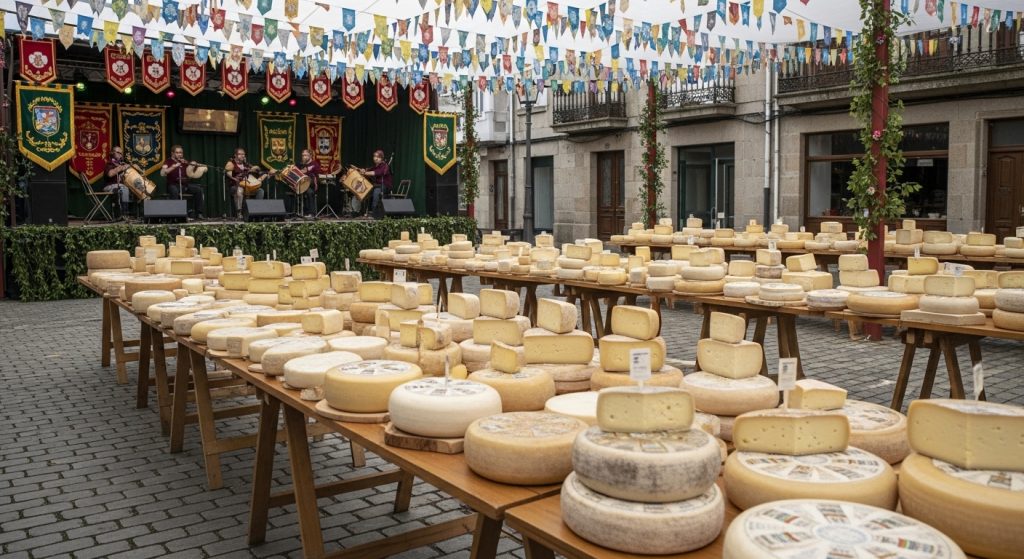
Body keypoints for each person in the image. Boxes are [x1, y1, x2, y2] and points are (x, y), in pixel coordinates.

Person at [161, 145, 205, 220]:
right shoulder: (168, 161)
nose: (179, 154)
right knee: (174, 191)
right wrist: (174, 166)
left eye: (181, 153)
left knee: (198, 190)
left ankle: (199, 213)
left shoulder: (184, 161)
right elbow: (164, 172)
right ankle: (175, 214)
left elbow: (191, 170)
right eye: (177, 152)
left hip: (185, 185)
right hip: (173, 185)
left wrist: (196, 166)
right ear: (172, 153)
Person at [224, 148, 265, 218]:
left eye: (243, 154)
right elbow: (229, 176)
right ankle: (239, 212)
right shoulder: (231, 164)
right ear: (235, 155)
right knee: (240, 190)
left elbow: (257, 170)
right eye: (240, 154)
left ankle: (256, 211)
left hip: (248, 186)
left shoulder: (247, 165)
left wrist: (264, 174)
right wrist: (238, 179)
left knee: (260, 191)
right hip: (235, 186)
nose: (242, 156)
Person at [287, 149, 319, 218]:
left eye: (305, 155)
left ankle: (311, 213)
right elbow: (294, 171)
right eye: (303, 155)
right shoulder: (300, 164)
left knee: (309, 192)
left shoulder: (314, 164)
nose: (303, 157)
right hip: (301, 185)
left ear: (310, 156)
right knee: (290, 189)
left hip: (312, 185)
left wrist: (303, 171)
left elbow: (308, 173)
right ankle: (291, 213)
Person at [359, 149, 392, 217]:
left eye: (378, 157)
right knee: (366, 191)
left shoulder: (384, 166)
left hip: (384, 186)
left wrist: (365, 173)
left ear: (382, 158)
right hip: (377, 185)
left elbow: (375, 173)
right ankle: (364, 211)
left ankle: (375, 215)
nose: (376, 158)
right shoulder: (375, 166)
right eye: (375, 156)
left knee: (376, 192)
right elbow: (369, 170)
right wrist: (363, 170)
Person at [103, 147, 132, 218]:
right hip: (109, 186)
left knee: (131, 187)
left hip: (120, 186)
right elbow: (110, 174)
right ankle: (123, 214)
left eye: (121, 154)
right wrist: (120, 168)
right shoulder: (109, 163)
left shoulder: (121, 163)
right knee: (123, 189)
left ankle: (128, 213)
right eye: (118, 153)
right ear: (113, 153)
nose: (120, 155)